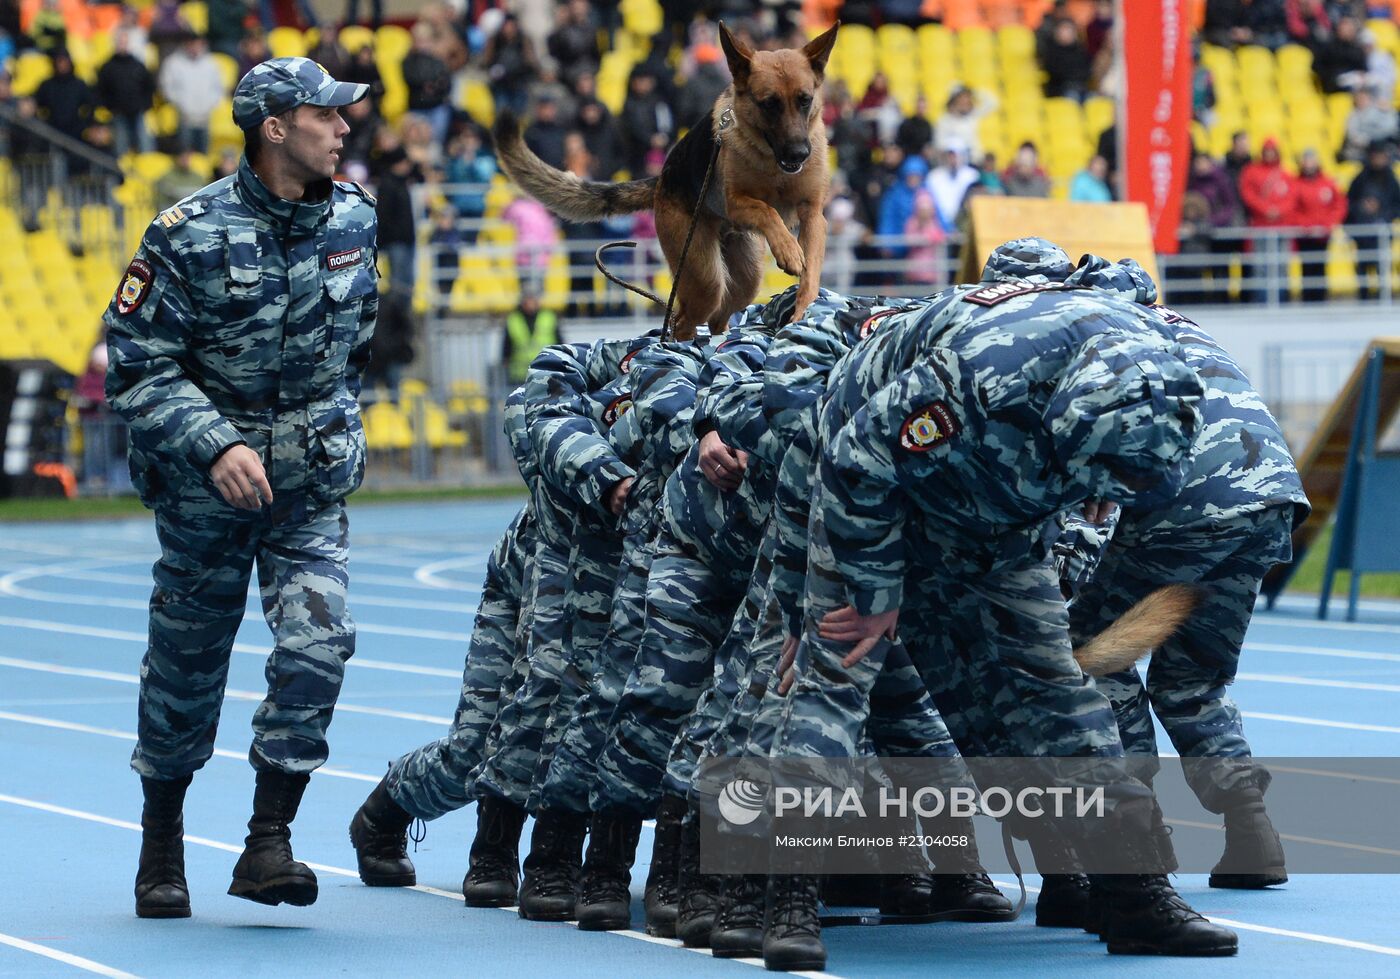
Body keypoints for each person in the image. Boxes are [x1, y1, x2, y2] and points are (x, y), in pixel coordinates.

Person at [104, 57, 376, 920]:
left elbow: (355, 346)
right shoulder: (185, 232)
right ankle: (161, 848)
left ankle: (268, 842)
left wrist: (325, 437)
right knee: (186, 672)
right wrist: (214, 441)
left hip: (307, 489)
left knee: (319, 647)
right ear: (273, 128)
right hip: (204, 496)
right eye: (324, 114)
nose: (342, 127)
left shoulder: (356, 219)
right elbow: (137, 367)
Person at [1289, 147, 1346, 301]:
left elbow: (1339, 205)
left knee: (1321, 266)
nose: (1309, 164)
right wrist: (1306, 226)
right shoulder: (1296, 184)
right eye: (1306, 160)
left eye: (1311, 160)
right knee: (1307, 268)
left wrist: (1327, 225)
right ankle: (1308, 300)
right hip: (1304, 235)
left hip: (1323, 234)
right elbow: (1292, 208)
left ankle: (1321, 299)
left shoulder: (1327, 182)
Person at [1346, 141, 1400, 298]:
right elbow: (1349, 204)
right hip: (1363, 233)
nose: (1379, 159)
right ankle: (1363, 298)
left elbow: (1397, 205)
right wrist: (1362, 208)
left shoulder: (1391, 180)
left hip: (1383, 232)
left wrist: (1382, 211)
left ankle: (1384, 298)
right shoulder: (1360, 179)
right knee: (1363, 269)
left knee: (1382, 268)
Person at [158, 34, 224, 153]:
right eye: (192, 44)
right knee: (185, 152)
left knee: (204, 154)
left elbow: (218, 88)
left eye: (198, 44)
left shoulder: (211, 64)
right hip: (184, 117)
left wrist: (209, 105)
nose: (195, 47)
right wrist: (181, 104)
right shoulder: (173, 62)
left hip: (205, 117)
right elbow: (167, 88)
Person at [96, 29, 156, 157]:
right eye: (120, 42)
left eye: (124, 42)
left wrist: (145, 105)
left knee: (145, 145)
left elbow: (149, 87)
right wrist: (110, 106)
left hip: (138, 111)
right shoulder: (107, 67)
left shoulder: (138, 65)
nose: (122, 45)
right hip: (118, 113)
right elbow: (101, 90)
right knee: (120, 147)